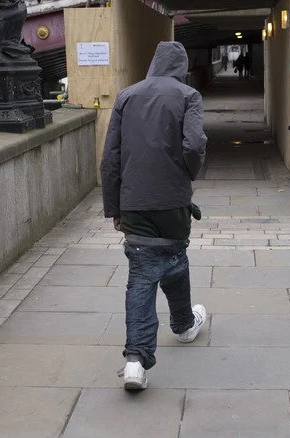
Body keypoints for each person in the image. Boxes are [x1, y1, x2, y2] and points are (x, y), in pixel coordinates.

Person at [100, 41, 208, 390]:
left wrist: (114, 208)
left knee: (142, 274)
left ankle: (136, 361)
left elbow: (110, 159)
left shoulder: (126, 96)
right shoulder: (188, 96)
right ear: (182, 67)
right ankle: (184, 325)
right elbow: (194, 145)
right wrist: (188, 174)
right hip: (172, 201)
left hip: (134, 202)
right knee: (174, 258)